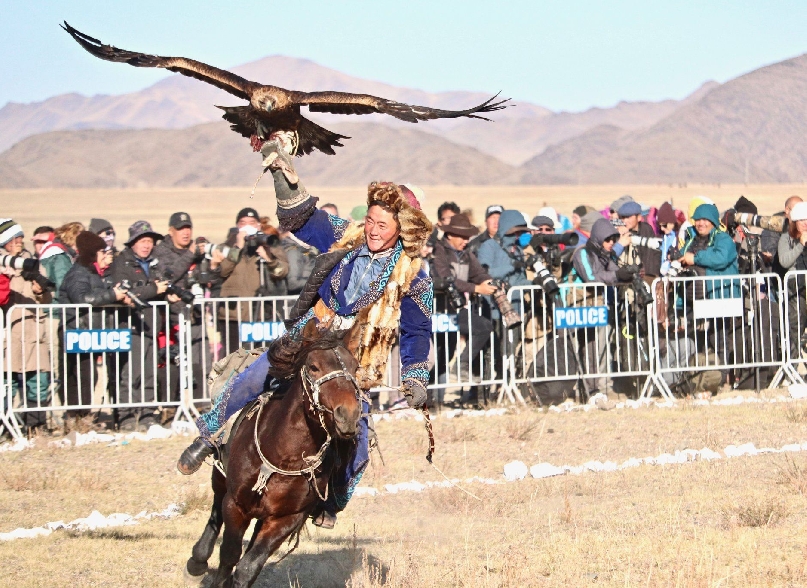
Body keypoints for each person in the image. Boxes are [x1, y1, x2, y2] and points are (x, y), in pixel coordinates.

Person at [178, 138, 433, 530]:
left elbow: (418, 329)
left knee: (359, 442)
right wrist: (282, 173)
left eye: (383, 225)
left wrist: (416, 376)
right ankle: (206, 437)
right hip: (308, 337)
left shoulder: (414, 275)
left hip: (351, 363)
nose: (372, 230)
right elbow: (302, 218)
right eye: (369, 220)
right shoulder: (344, 236)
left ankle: (327, 503)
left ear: (402, 228)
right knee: (254, 377)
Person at [58, 231, 127, 428]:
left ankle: (83, 418)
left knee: (88, 377)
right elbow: (84, 299)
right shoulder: (77, 274)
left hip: (88, 333)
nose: (104, 254)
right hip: (76, 332)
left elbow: (97, 295)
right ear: (91, 253)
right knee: (79, 378)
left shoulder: (90, 273)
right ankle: (77, 421)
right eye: (100, 251)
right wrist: (113, 295)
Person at [106, 220, 170, 431]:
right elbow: (126, 294)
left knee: (149, 372)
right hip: (129, 326)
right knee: (130, 373)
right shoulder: (121, 264)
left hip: (151, 326)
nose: (146, 245)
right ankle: (126, 416)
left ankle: (147, 414)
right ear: (132, 242)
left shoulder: (153, 263)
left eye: (150, 241)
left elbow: (159, 287)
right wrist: (153, 289)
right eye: (142, 241)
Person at [431, 213, 497, 405]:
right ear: (450, 235)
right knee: (437, 358)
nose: (466, 241)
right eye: (463, 237)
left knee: (482, 327)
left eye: (468, 237)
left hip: (456, 311)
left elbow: (479, 273)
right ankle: (431, 400)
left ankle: (461, 365)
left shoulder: (466, 253)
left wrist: (489, 282)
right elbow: (445, 278)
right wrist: (477, 288)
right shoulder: (439, 252)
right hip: (437, 310)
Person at [0, 219, 53, 433]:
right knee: (7, 383)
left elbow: (48, 299)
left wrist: (41, 291)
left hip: (33, 330)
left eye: (20, 238)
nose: (19, 242)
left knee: (38, 381)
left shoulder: (32, 263)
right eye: (14, 239)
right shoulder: (4, 264)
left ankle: (35, 425)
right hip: (8, 332)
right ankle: (6, 425)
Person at [215, 208, 289, 352]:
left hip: (262, 314)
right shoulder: (226, 247)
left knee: (260, 357)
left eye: (252, 223)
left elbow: (282, 271)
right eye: (243, 223)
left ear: (258, 226)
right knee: (234, 357)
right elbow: (222, 271)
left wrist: (268, 258)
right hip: (233, 315)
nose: (247, 226)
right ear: (237, 226)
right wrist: (237, 247)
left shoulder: (269, 245)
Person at [777, 201, 807, 359]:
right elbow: (784, 261)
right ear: (795, 222)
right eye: (802, 220)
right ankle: (793, 366)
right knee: (796, 326)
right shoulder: (786, 238)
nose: (805, 223)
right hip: (796, 289)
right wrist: (800, 245)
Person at [616, 201, 661, 278]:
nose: (625, 221)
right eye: (623, 217)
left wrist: (653, 276)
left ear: (639, 217)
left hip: (648, 276)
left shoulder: (647, 230)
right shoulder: (617, 232)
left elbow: (654, 254)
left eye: (629, 217)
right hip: (627, 279)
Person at [38, 221, 83, 294]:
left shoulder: (53, 251)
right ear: (71, 238)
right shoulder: (60, 257)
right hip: (57, 303)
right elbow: (62, 286)